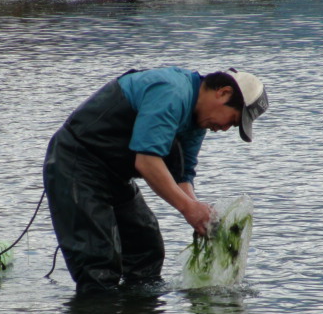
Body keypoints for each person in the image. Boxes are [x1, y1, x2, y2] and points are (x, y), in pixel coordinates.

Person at [43, 67, 268, 295]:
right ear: (223, 93)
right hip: (76, 163)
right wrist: (189, 209)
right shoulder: (171, 93)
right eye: (233, 120)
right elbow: (147, 161)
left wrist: (202, 217)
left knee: (146, 248)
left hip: (114, 174)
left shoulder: (198, 120)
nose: (225, 128)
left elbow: (183, 174)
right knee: (99, 264)